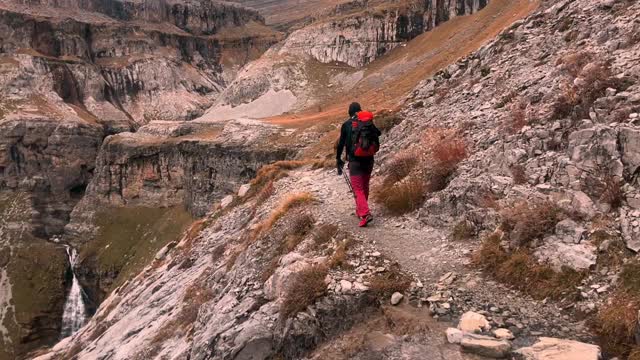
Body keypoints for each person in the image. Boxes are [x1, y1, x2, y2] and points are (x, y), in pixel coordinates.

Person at [336, 102, 381, 227]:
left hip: (355, 161)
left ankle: (365, 214)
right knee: (365, 186)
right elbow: (378, 134)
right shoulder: (367, 123)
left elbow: (341, 144)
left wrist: (338, 159)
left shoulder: (346, 125)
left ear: (349, 113)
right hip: (369, 158)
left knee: (357, 189)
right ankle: (361, 210)